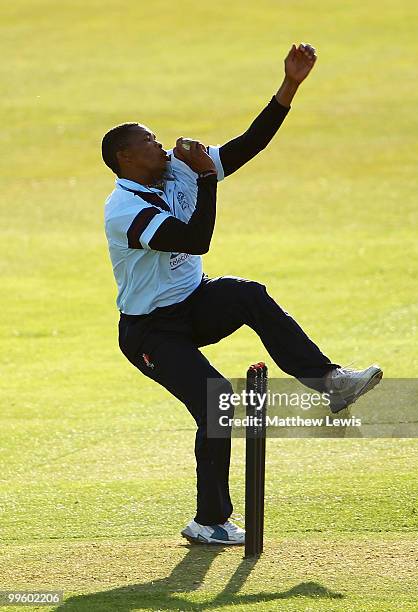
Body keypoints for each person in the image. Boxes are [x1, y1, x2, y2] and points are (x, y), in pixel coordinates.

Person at [101, 43, 382, 546]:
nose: (163, 147)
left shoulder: (176, 171)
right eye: (151, 142)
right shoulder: (123, 210)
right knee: (218, 404)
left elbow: (248, 144)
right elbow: (194, 239)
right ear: (125, 158)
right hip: (151, 331)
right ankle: (208, 521)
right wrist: (207, 180)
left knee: (248, 294)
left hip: (194, 302)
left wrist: (289, 87)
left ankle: (330, 382)